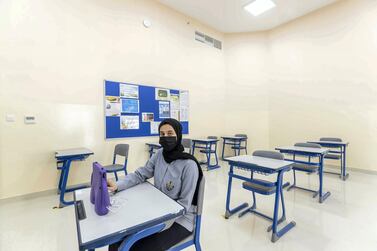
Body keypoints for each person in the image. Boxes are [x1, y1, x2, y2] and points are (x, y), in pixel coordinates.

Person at [107, 118, 203, 251]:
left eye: (170, 133)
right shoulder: (159, 155)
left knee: (138, 247)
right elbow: (141, 174)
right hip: (157, 211)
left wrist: (156, 220)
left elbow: (184, 206)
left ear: (179, 135)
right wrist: (118, 185)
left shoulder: (189, 165)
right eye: (162, 134)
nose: (165, 137)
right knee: (116, 239)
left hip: (180, 220)